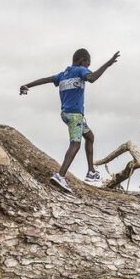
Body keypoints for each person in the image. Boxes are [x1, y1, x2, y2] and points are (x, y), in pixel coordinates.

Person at [20, 48, 119, 193]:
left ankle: (91, 171)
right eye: (88, 64)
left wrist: (27, 85)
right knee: (75, 144)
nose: (88, 68)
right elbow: (92, 78)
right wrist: (108, 64)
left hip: (66, 114)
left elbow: (45, 80)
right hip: (75, 116)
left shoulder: (63, 74)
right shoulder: (80, 70)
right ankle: (60, 175)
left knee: (90, 137)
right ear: (82, 61)